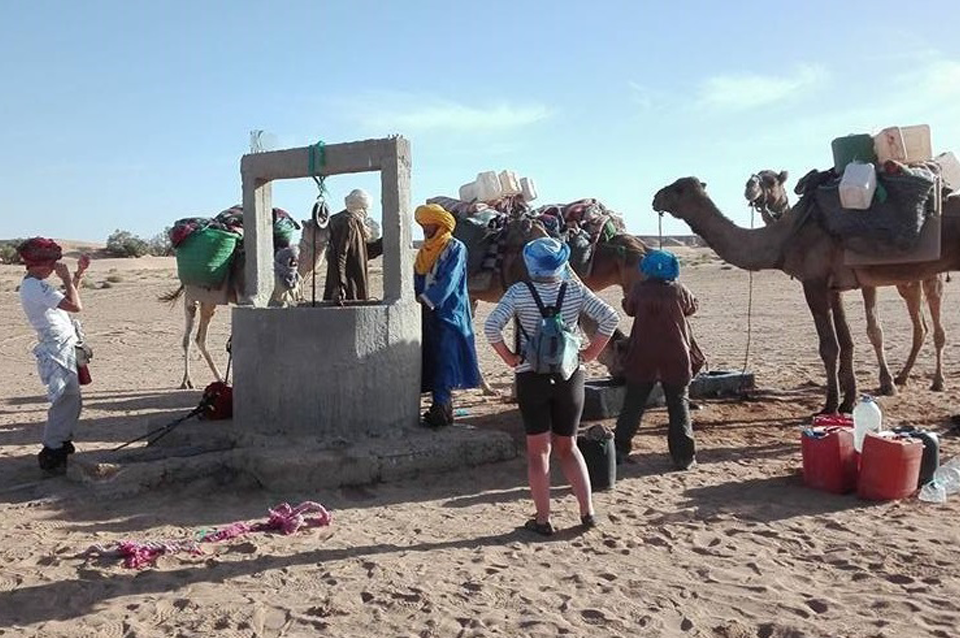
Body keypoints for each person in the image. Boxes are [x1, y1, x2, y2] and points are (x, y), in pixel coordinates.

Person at [485, 237, 619, 536]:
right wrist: (591, 353)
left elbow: (491, 327)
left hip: (531, 377)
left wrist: (510, 358)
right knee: (569, 446)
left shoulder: (519, 292)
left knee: (538, 452)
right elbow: (610, 317)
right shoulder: (574, 289)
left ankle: (543, 519)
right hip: (570, 376)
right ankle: (588, 512)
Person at [614, 249, 699, 470]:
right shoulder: (679, 290)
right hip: (676, 355)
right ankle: (683, 457)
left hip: (642, 354)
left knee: (633, 404)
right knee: (679, 404)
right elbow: (692, 307)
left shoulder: (640, 290)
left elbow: (629, 309)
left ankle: (619, 449)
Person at [17, 238, 90, 473]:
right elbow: (75, 306)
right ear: (40, 264)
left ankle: (61, 444)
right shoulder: (35, 287)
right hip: (57, 350)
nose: (53, 268)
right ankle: (53, 450)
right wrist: (67, 279)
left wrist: (77, 275)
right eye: (51, 264)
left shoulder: (38, 285)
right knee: (65, 399)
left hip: (65, 346)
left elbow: (66, 299)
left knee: (73, 399)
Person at [414, 203, 481, 427]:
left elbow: (450, 280)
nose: (425, 228)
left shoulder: (455, 248)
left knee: (446, 358)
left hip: (449, 311)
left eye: (428, 224)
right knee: (432, 357)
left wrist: (430, 298)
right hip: (426, 311)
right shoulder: (425, 250)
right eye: (423, 224)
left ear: (439, 224)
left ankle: (442, 408)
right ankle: (439, 408)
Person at [323, 189, 383, 303]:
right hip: (348, 285)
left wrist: (384, 243)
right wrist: (339, 285)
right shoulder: (348, 221)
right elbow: (340, 254)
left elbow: (359, 253)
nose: (366, 213)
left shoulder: (352, 221)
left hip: (350, 282)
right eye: (365, 209)